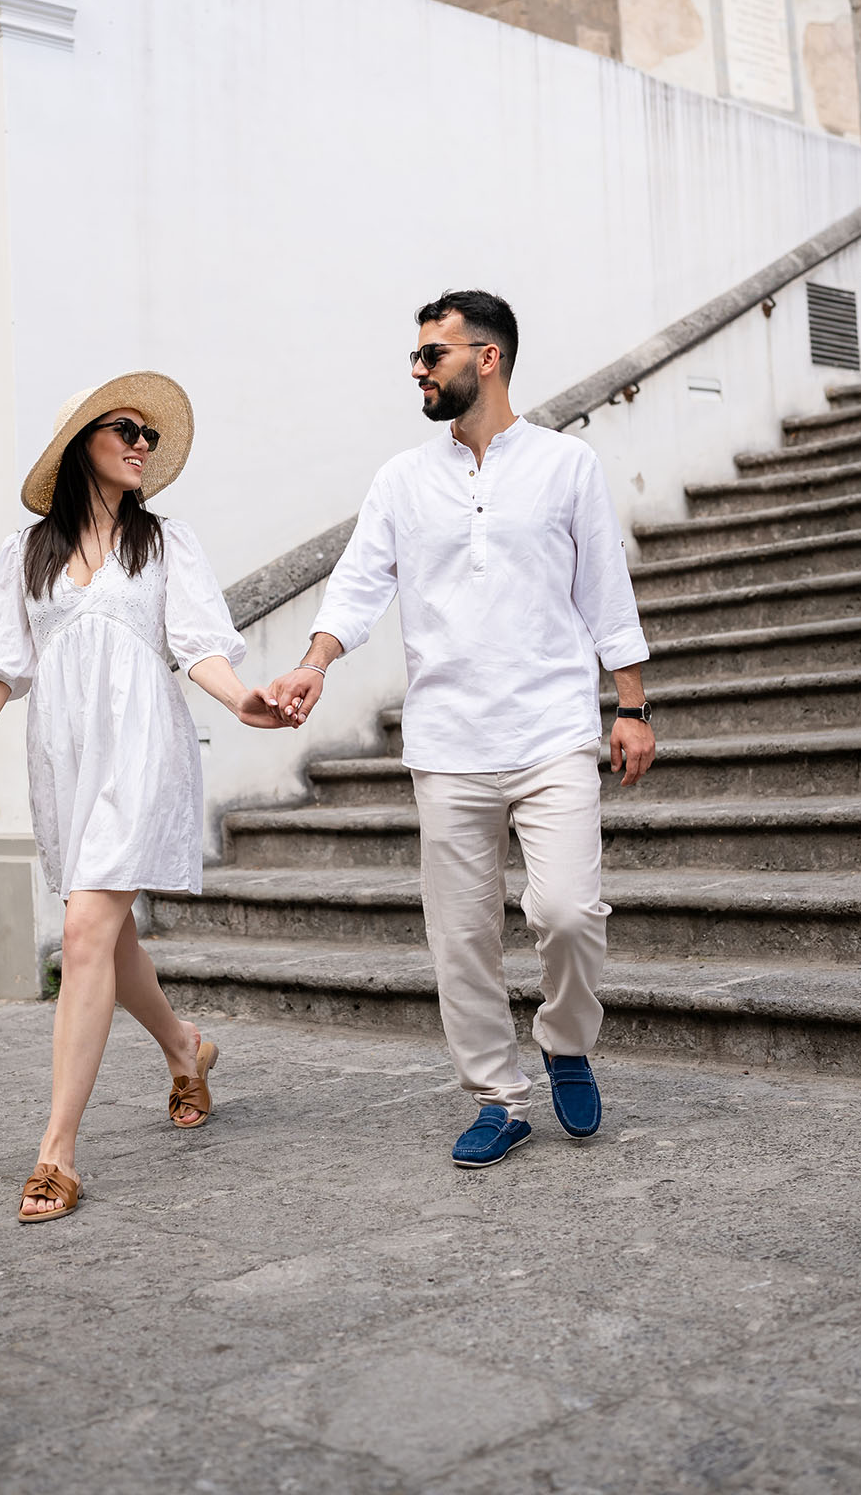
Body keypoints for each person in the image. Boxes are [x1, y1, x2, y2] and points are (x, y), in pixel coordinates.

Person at [266, 294, 655, 1167]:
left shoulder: (567, 466)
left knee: (567, 911)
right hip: (448, 743)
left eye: (431, 354)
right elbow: (360, 584)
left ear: (488, 358)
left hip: (552, 729)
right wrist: (315, 663)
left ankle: (565, 1038)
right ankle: (498, 1096)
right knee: (462, 936)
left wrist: (630, 706)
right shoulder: (402, 479)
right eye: (416, 354)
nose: (417, 369)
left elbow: (605, 593)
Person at [0, 373, 291, 1222]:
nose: (142, 445)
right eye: (126, 429)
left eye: (150, 436)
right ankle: (185, 1047)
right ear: (83, 440)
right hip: (67, 760)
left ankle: (57, 1154)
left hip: (142, 752)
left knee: (85, 929)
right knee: (106, 937)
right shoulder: (28, 554)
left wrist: (242, 701)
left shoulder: (166, 544)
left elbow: (198, 644)